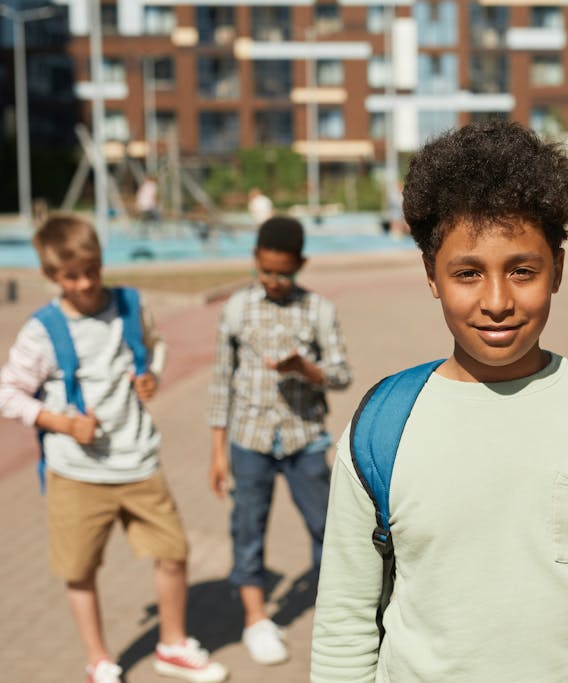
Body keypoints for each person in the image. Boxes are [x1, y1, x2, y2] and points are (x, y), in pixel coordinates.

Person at [311, 120, 568, 682]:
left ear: (557, 270)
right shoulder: (383, 428)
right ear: (431, 276)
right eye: (467, 273)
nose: (497, 301)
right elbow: (346, 625)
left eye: (522, 270)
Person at [0, 214, 228, 683]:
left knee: (173, 552)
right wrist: (59, 422)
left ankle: (171, 644)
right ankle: (98, 659)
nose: (85, 284)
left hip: (139, 461)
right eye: (71, 276)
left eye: (92, 270)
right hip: (76, 472)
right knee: (80, 569)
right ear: (51, 277)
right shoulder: (42, 330)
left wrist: (152, 376)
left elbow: (154, 345)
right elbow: (8, 392)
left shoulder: (129, 304)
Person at [208, 215, 352, 665]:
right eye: (266, 271)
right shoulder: (235, 309)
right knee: (248, 528)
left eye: (284, 273)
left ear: (301, 265)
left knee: (327, 528)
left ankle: (341, 615)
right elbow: (220, 383)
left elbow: (341, 375)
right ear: (255, 261)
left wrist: (305, 370)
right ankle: (256, 619)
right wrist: (217, 452)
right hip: (248, 441)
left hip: (304, 439)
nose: (273, 281)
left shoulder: (319, 311)